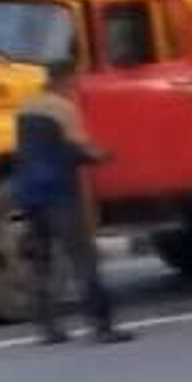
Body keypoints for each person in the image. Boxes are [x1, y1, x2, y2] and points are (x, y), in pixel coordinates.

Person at [15, 61, 130, 345]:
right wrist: (102, 156)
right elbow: (76, 148)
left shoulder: (24, 108)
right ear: (64, 80)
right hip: (59, 193)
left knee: (41, 261)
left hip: (29, 192)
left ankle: (47, 328)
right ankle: (101, 326)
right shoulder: (64, 109)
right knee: (83, 258)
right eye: (73, 82)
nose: (75, 87)